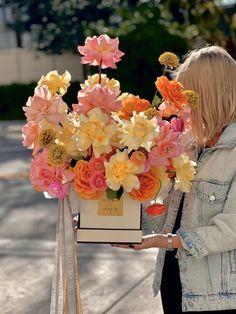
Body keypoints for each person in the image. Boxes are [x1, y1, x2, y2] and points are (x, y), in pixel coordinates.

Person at [112, 46, 236, 313]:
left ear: (207, 96)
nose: (179, 105)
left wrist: (163, 241)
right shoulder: (187, 146)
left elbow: (230, 231)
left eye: (185, 95)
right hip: (174, 285)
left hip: (217, 299)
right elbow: (166, 212)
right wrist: (112, 221)